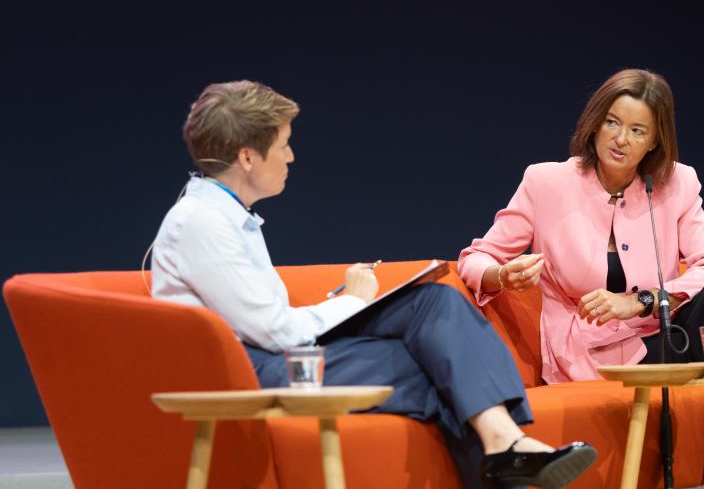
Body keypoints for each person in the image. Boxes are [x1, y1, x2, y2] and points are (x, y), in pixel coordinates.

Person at [150, 80, 596, 489]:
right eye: (283, 145)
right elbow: (276, 332)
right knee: (437, 366)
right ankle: (507, 453)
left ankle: (504, 448)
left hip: (270, 355)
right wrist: (353, 300)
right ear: (248, 157)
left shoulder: (227, 215)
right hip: (247, 370)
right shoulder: (203, 222)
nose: (291, 157)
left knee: (433, 303)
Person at [458, 69, 704, 489]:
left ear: (654, 141)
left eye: (637, 131)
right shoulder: (546, 182)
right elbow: (475, 257)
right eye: (612, 123)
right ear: (594, 124)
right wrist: (501, 275)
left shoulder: (676, 183)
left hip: (659, 342)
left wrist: (643, 301)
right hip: (588, 354)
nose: (620, 139)